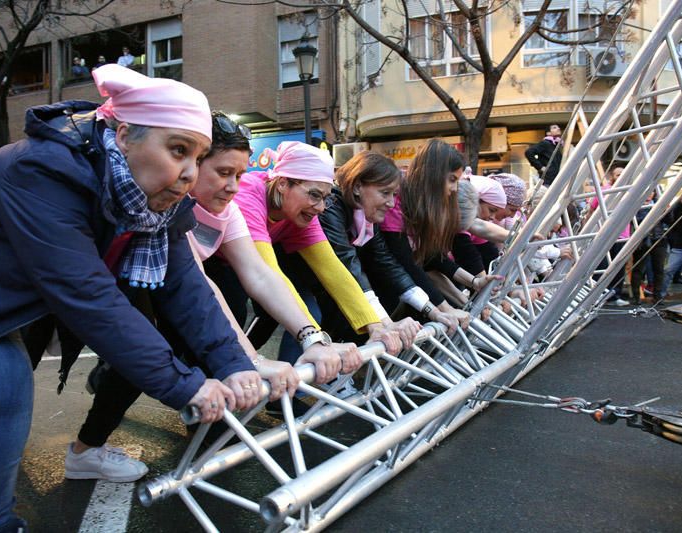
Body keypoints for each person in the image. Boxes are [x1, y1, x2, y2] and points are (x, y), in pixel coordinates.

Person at [0, 64, 253, 532]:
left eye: (198, 156)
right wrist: (185, 384)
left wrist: (234, 364)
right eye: (178, 150)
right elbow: (87, 294)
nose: (189, 174)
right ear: (124, 135)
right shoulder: (42, 170)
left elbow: (185, 285)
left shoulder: (152, 196)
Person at [64, 113, 356, 481]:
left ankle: (199, 423)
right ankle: (88, 446)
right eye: (223, 173)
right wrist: (247, 361)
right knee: (144, 351)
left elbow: (260, 274)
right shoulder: (170, 203)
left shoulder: (225, 209)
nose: (234, 186)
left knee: (210, 316)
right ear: (192, 165)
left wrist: (310, 337)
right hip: (115, 282)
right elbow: (199, 288)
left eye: (239, 174)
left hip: (160, 287)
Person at [206, 141, 405, 369]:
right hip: (210, 261)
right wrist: (316, 339)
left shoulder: (302, 212)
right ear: (282, 184)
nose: (321, 207)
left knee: (295, 311)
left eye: (326, 198)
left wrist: (376, 325)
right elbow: (266, 273)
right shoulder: (249, 195)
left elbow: (333, 270)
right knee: (229, 315)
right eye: (314, 195)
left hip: (242, 264)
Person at [318, 150, 455, 338]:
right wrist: (385, 324)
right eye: (385, 193)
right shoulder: (331, 207)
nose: (391, 203)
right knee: (312, 325)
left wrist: (433, 311)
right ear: (357, 187)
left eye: (394, 194)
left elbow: (386, 262)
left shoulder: (364, 217)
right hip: (299, 285)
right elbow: (348, 265)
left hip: (321, 290)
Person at [380, 139, 480, 325]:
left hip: (401, 293)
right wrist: (445, 310)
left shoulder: (419, 204)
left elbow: (431, 256)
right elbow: (407, 262)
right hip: (385, 295)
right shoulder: (397, 200)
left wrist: (474, 282)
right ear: (433, 174)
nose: (454, 189)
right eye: (452, 180)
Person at [586, 167, 631, 306]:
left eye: (623, 174)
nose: (620, 177)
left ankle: (614, 295)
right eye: (618, 174)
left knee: (618, 267)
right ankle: (598, 295)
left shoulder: (629, 190)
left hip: (622, 234)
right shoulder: (604, 190)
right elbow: (591, 208)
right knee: (602, 266)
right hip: (603, 233)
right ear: (612, 176)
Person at [630, 191, 668, 305]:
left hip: (658, 238)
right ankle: (636, 297)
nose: (649, 194)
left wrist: (666, 211)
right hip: (641, 241)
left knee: (659, 269)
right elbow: (636, 221)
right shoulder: (635, 206)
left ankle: (657, 296)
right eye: (647, 191)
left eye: (652, 191)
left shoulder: (659, 204)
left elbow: (669, 220)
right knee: (638, 269)